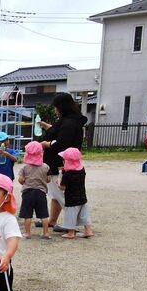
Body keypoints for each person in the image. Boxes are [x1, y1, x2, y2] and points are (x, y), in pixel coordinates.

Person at [39, 92, 88, 232]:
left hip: (59, 163)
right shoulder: (70, 120)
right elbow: (59, 132)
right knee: (55, 194)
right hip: (64, 162)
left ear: (62, 107)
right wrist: (47, 126)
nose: (55, 110)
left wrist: (46, 144)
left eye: (56, 107)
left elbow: (62, 142)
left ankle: (73, 224)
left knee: (63, 195)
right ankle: (53, 220)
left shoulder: (69, 122)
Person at [57, 148, 94, 239]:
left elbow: (62, 187)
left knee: (71, 215)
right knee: (84, 214)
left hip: (71, 198)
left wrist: (58, 181)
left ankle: (70, 233)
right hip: (82, 196)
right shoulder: (82, 170)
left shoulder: (67, 174)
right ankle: (88, 231)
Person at [18, 141, 51, 239]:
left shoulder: (24, 167)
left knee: (27, 215)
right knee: (43, 215)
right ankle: (46, 233)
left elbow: (20, 180)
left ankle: (27, 233)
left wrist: (24, 181)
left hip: (28, 193)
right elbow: (48, 180)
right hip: (41, 193)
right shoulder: (45, 166)